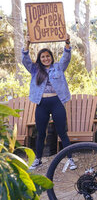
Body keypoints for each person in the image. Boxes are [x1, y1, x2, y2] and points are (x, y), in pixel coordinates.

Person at [22, 34, 77, 170]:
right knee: (41, 133)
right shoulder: (34, 69)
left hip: (57, 102)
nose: (46, 59)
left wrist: (67, 42)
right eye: (43, 57)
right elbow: (25, 60)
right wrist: (27, 44)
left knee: (62, 132)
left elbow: (67, 57)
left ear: (51, 57)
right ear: (40, 59)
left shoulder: (58, 67)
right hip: (42, 104)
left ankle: (70, 159)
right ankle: (38, 159)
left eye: (48, 56)